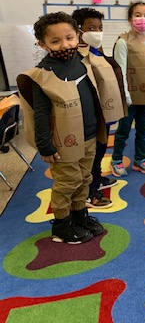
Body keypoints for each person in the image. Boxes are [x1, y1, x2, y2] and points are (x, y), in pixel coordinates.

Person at [17, 12, 106, 243]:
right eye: (55, 41)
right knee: (67, 182)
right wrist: (45, 146)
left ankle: (80, 216)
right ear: (42, 44)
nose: (65, 44)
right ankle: (62, 223)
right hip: (61, 142)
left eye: (69, 37)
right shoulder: (42, 75)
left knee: (84, 178)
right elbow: (41, 114)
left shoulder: (83, 62)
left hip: (88, 135)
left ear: (78, 35)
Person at [71, 8, 126, 209]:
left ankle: (97, 178)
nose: (97, 32)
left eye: (100, 28)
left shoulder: (97, 51)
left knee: (101, 148)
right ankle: (88, 192)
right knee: (89, 153)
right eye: (91, 28)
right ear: (78, 30)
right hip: (88, 116)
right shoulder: (75, 56)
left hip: (104, 112)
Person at [110, 2, 145, 176]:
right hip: (129, 96)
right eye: (137, 15)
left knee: (144, 130)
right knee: (123, 130)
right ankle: (116, 160)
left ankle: (139, 159)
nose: (141, 19)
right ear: (130, 19)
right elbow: (120, 69)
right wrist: (125, 94)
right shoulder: (123, 42)